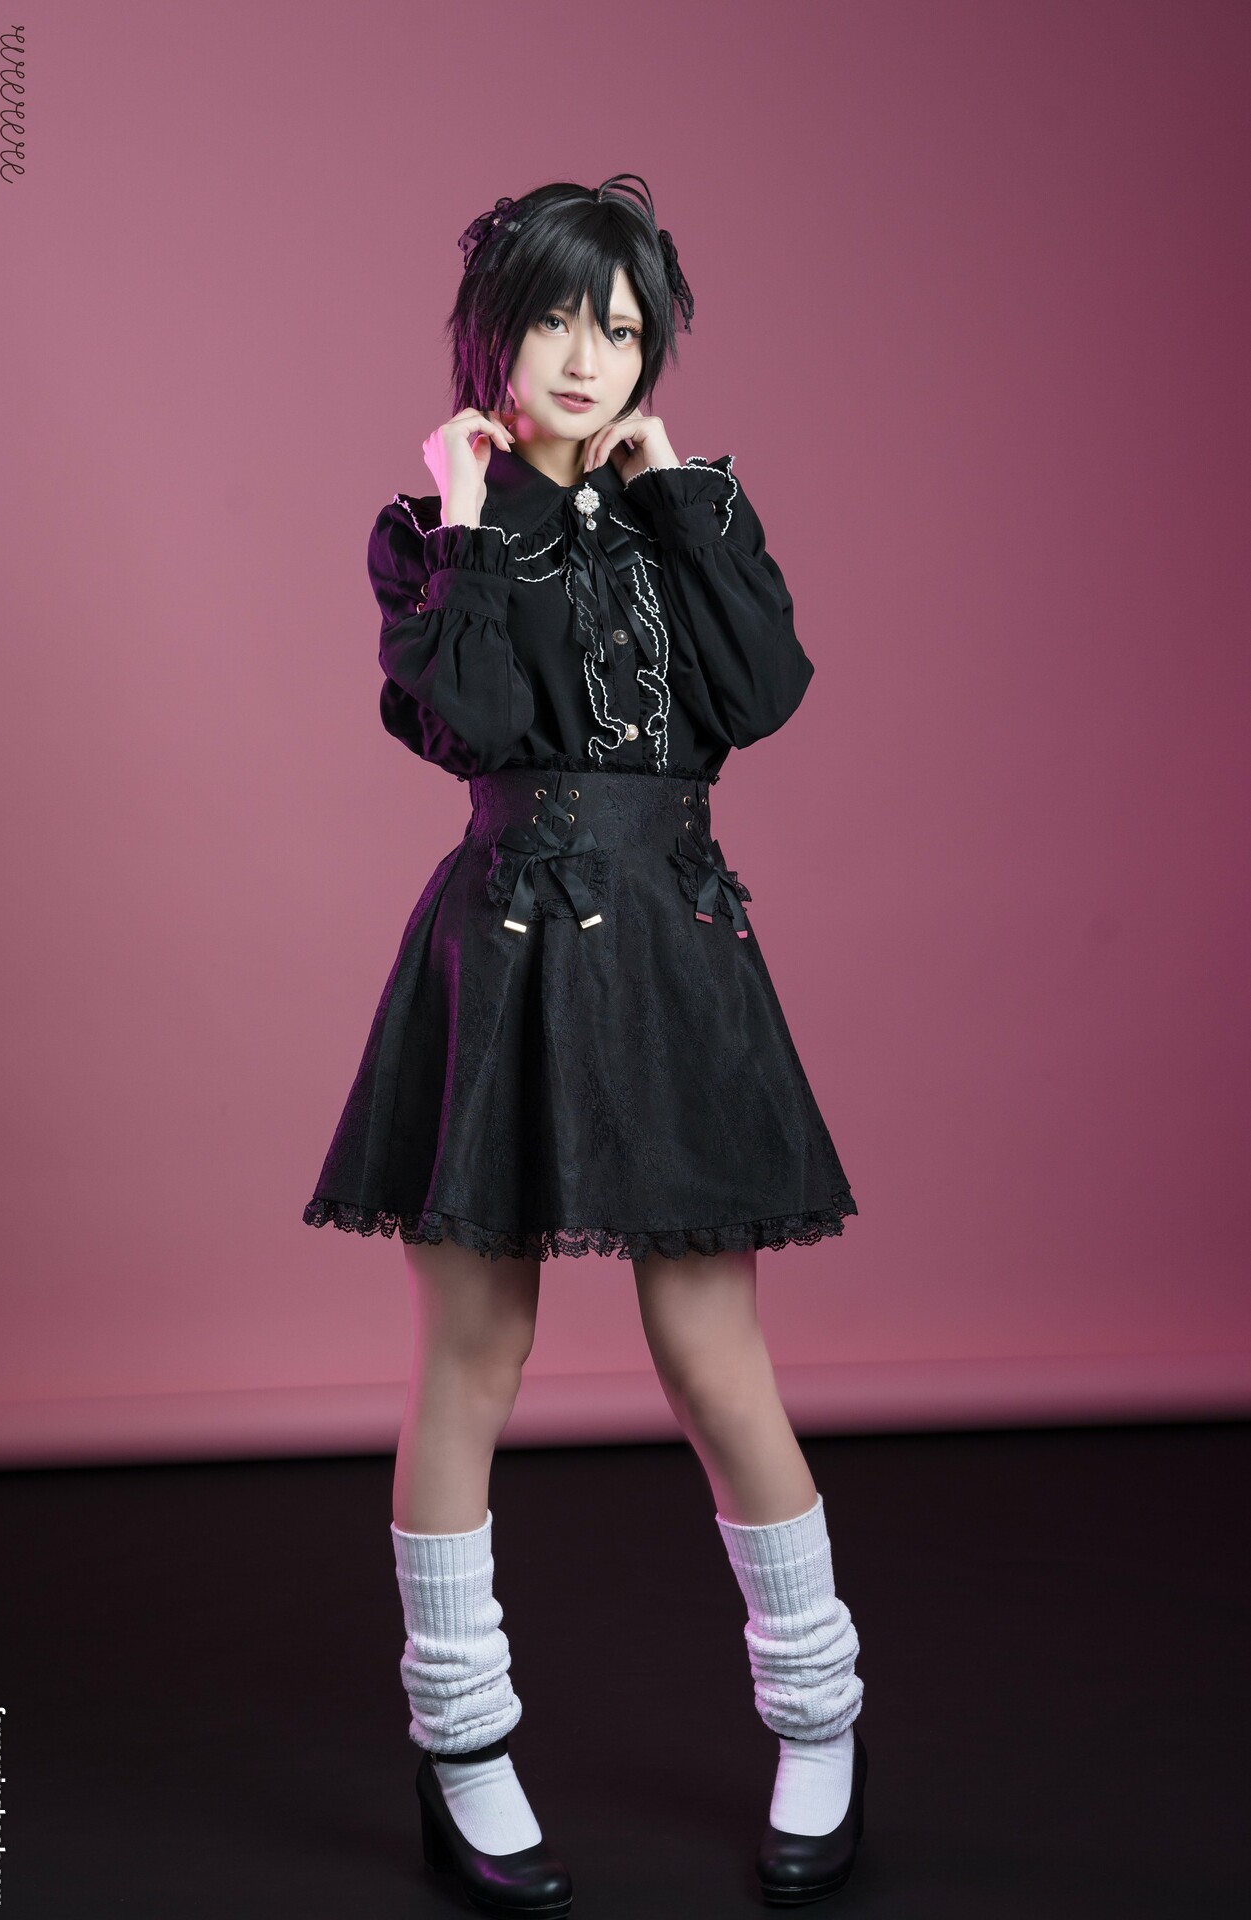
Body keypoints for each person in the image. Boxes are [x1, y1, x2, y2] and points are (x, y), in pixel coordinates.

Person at [302, 174, 867, 1912]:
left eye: (619, 329)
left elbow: (762, 694)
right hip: (503, 953)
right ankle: (462, 1751)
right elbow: (469, 717)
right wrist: (478, 515)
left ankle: (822, 1723)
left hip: (679, 954)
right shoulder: (430, 531)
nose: (585, 356)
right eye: (554, 317)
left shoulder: (686, 514)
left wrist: (673, 490)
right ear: (492, 332)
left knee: (716, 1358)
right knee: (472, 1354)